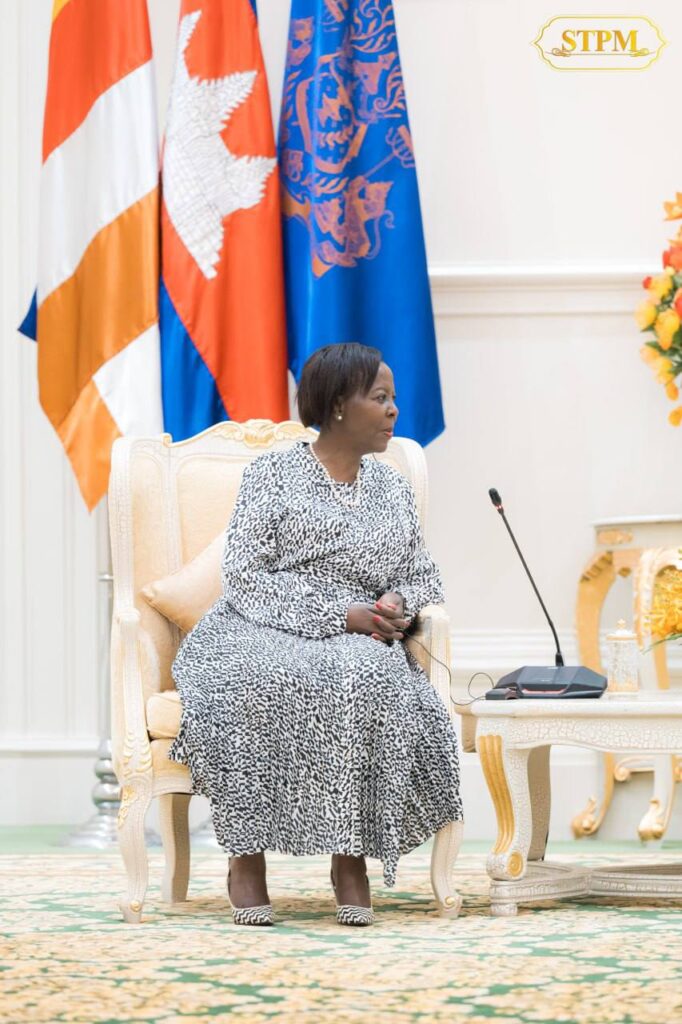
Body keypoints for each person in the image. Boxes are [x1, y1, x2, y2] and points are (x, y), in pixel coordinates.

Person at [169, 342, 463, 926]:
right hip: (260, 622)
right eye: (379, 397)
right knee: (255, 679)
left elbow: (419, 573)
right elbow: (245, 575)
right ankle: (245, 858)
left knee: (367, 674)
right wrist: (340, 614)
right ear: (336, 405)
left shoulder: (391, 487)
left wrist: (395, 603)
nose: (394, 410)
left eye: (393, 398)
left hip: (361, 635)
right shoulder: (272, 474)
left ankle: (350, 860)